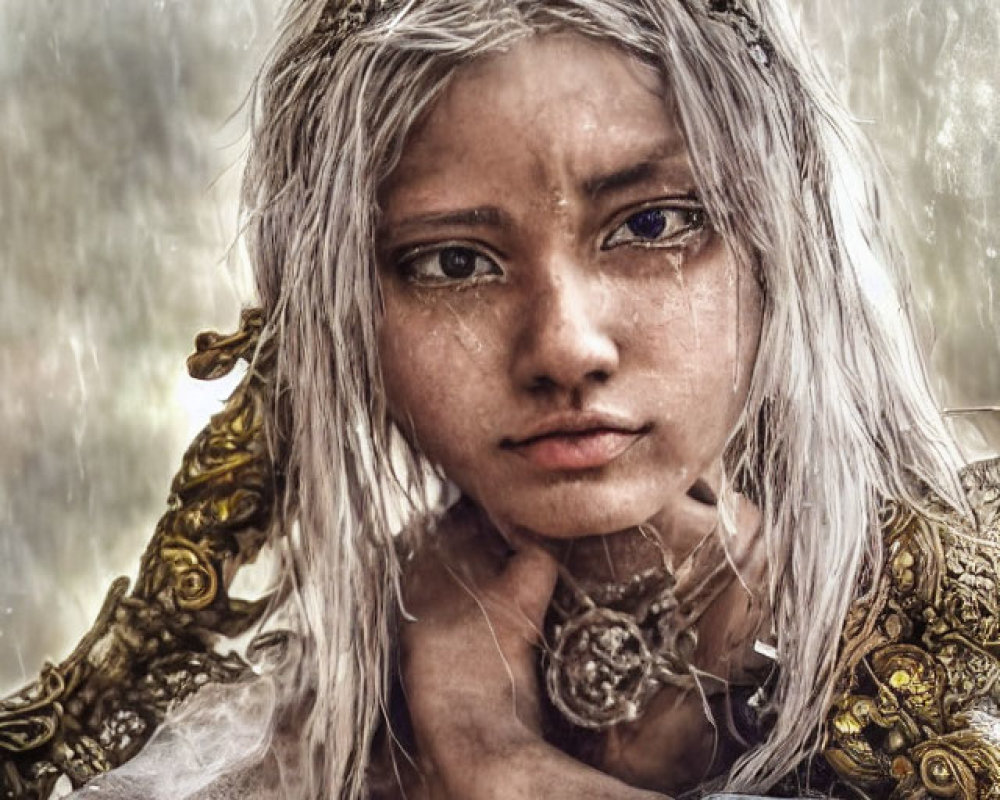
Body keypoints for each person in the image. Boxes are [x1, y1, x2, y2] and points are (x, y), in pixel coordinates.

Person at [4, 1, 997, 798]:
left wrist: (490, 760)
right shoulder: (286, 734)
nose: (563, 345)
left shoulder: (950, 653)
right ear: (346, 315)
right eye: (451, 261)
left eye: (651, 222)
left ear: (780, 256)